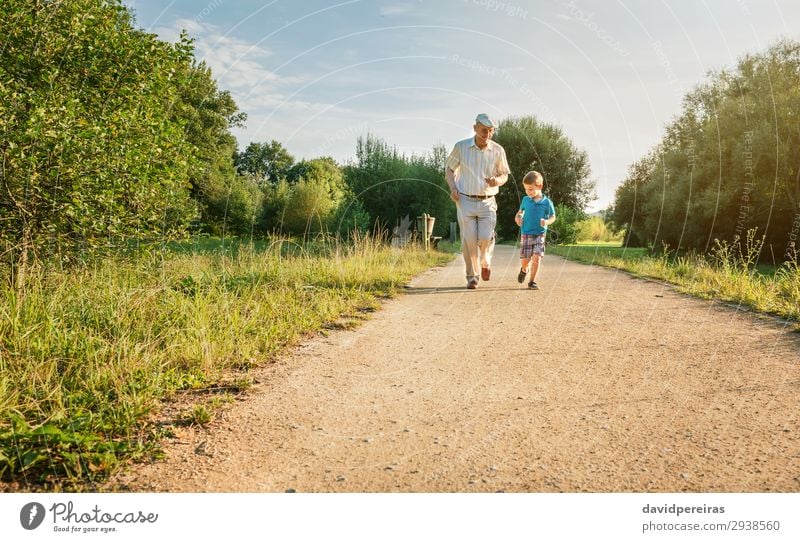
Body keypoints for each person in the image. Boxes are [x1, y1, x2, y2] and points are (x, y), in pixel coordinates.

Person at [445, 113, 511, 289]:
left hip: (488, 200)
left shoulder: (498, 150)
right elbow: (449, 169)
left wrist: (497, 181)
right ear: (475, 128)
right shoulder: (461, 147)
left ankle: (486, 261)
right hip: (465, 199)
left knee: (485, 238)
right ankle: (472, 277)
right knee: (469, 240)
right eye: (484, 130)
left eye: (491, 131)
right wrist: (453, 188)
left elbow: (504, 174)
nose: (487, 134)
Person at [515, 171, 556, 290]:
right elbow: (520, 212)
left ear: (540, 186)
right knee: (525, 260)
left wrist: (546, 222)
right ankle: (524, 269)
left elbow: (553, 217)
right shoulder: (525, 200)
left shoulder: (547, 202)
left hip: (540, 234)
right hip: (526, 233)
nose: (528, 192)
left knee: (537, 258)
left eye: (531, 189)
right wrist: (518, 218)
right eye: (526, 189)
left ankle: (532, 282)